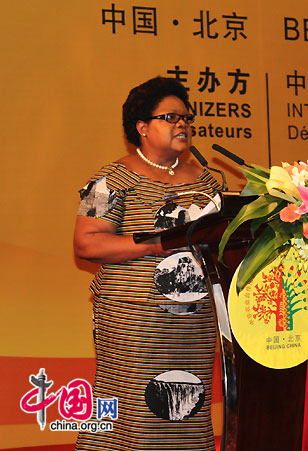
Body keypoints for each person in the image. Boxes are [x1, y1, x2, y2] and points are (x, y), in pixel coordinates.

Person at [74, 76, 221, 450]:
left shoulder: (208, 183)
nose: (182, 124)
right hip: (134, 321)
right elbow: (86, 242)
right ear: (142, 127)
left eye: (186, 117)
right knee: (135, 408)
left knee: (186, 403)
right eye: (170, 117)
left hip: (194, 323)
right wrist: (154, 244)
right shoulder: (109, 179)